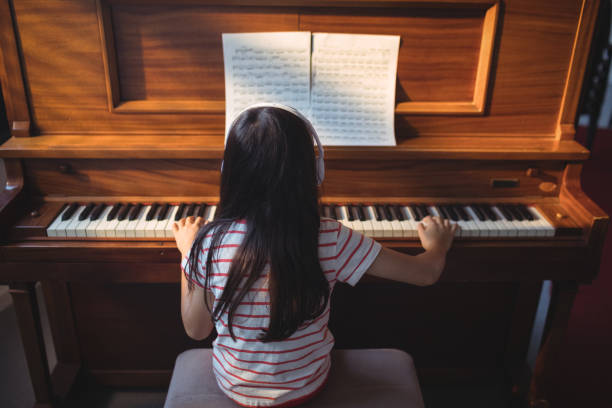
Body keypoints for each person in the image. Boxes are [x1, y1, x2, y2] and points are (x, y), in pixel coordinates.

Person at [172, 104, 457, 408]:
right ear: (312, 171)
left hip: (234, 386)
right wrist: (436, 247)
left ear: (229, 170)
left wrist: (189, 253)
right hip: (308, 385)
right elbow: (426, 274)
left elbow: (196, 329)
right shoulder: (331, 237)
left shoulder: (209, 243)